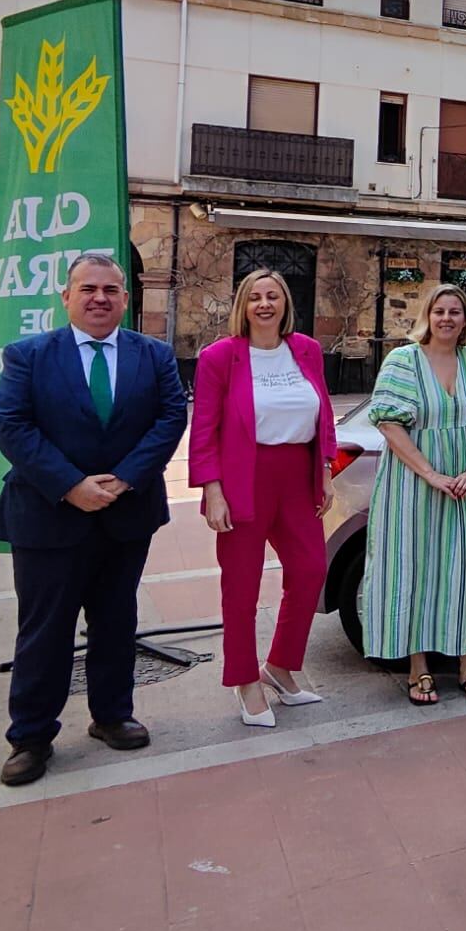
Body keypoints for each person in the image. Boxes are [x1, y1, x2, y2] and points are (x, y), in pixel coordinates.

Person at [0, 252, 189, 786]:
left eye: (110, 289)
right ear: (67, 296)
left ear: (126, 298)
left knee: (116, 619)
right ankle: (30, 737)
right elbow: (12, 427)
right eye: (88, 289)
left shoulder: (154, 355)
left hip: (126, 514)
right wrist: (72, 486)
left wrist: (124, 478)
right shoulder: (29, 355)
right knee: (44, 630)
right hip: (48, 515)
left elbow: (172, 417)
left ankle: (111, 715)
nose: (100, 298)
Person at [188, 269, 337, 728]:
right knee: (242, 585)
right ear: (243, 306)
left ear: (285, 303)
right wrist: (212, 490)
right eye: (255, 297)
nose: (265, 304)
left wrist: (326, 469)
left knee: (311, 570)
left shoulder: (306, 350)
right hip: (242, 477)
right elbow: (205, 429)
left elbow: (323, 409)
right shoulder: (220, 357)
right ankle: (244, 680)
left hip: (297, 475)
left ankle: (279, 666)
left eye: (273, 296)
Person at [359, 282, 466, 706]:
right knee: (413, 569)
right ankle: (418, 668)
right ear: (427, 315)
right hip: (411, 485)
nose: (447, 318)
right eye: (440, 311)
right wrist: (431, 474)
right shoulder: (403, 360)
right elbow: (389, 426)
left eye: (455, 312)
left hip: (465, 485)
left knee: (465, 571)